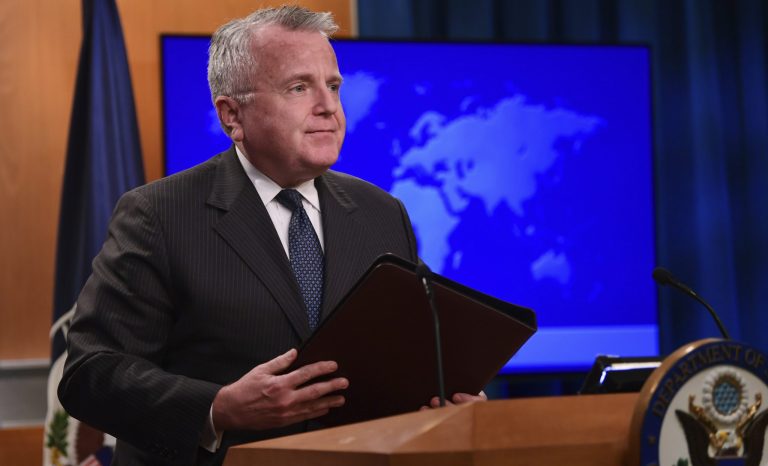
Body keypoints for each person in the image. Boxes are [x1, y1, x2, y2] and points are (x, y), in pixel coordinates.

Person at [58, 5, 484, 465]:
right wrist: (217, 408)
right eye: (299, 87)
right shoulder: (158, 215)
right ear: (232, 115)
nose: (328, 106)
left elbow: (406, 355)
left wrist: (443, 395)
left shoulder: (382, 213)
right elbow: (89, 372)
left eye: (334, 86)